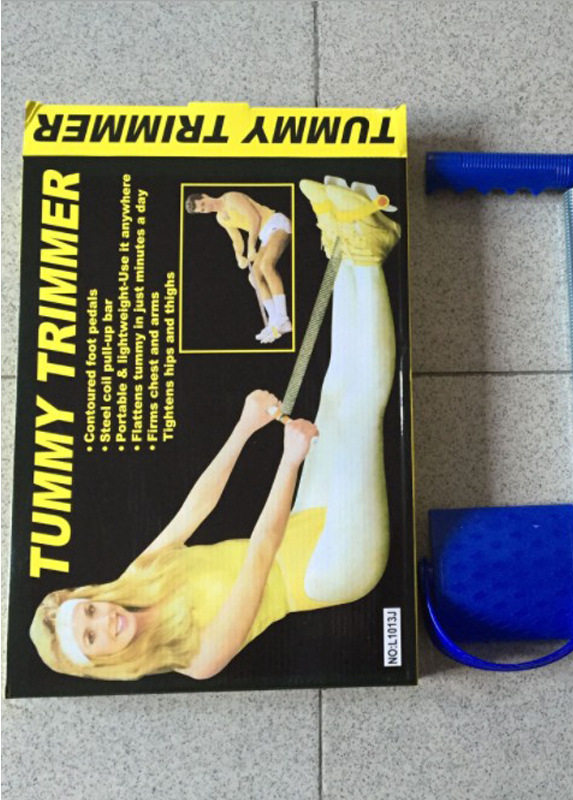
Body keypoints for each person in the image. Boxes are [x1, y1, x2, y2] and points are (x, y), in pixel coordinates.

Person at [30, 178, 402, 680]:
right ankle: (365, 250)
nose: (105, 621)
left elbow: (197, 506)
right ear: (100, 662)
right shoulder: (196, 660)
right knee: (356, 415)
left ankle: (353, 239)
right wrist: (288, 462)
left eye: (90, 611)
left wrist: (244, 428)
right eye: (91, 637)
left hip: (301, 524)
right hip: (329, 568)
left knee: (337, 397)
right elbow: (260, 558)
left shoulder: (141, 576)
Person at [185, 190, 293, 344]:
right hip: (265, 235)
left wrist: (251, 246)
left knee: (266, 266)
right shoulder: (221, 218)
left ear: (205, 196)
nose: (206, 208)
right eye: (202, 210)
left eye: (203, 204)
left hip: (276, 223)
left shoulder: (231, 198)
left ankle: (282, 317)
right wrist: (239, 256)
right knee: (254, 277)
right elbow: (236, 240)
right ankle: (275, 320)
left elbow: (255, 218)